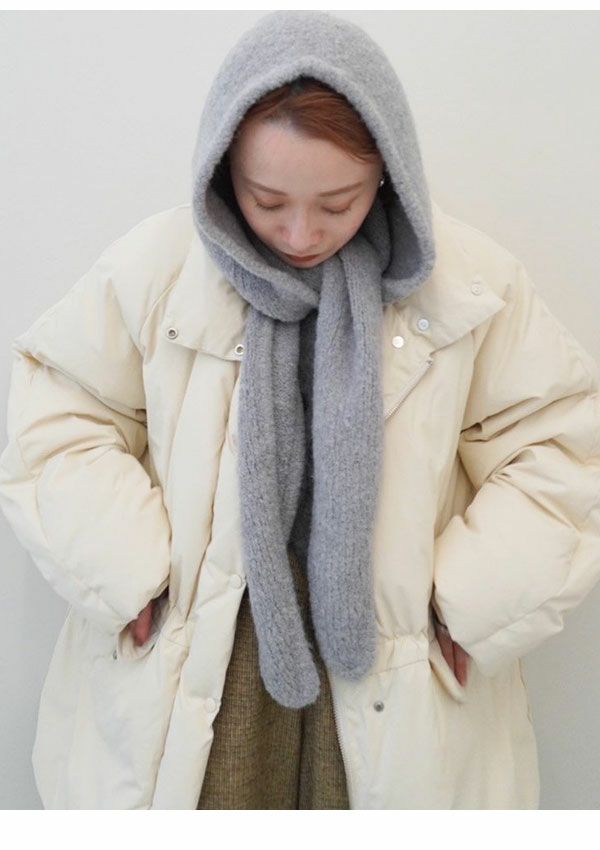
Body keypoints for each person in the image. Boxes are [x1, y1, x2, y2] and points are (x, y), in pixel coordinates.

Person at [0, 10, 599, 810]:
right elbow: (56, 411)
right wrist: (127, 571)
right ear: (223, 169)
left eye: (338, 202)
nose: (301, 232)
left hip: (391, 660)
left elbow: (563, 445)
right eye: (267, 200)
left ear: (387, 171)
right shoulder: (159, 269)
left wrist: (473, 603)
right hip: (211, 654)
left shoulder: (468, 286)